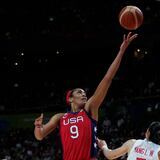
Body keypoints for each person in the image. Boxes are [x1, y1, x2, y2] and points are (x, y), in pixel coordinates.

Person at [34, 32, 138, 160]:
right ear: (70, 99)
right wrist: (38, 126)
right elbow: (39, 136)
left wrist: (121, 51)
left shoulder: (89, 109)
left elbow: (107, 78)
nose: (83, 94)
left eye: (84, 93)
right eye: (79, 92)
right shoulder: (59, 118)